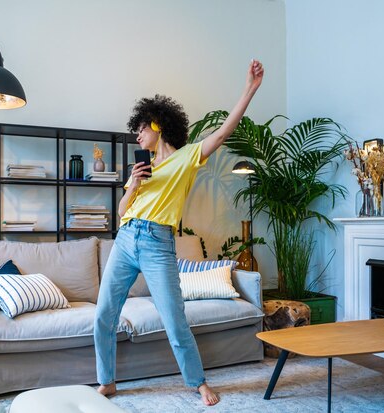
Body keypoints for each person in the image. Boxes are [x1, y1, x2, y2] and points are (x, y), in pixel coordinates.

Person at [94, 60, 264, 406]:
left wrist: (249, 89)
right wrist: (134, 184)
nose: (137, 135)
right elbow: (123, 212)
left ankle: (198, 383)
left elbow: (222, 133)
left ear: (158, 124)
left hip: (158, 244)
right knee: (103, 314)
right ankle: (107, 381)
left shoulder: (187, 157)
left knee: (174, 318)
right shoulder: (141, 168)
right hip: (127, 238)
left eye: (141, 128)